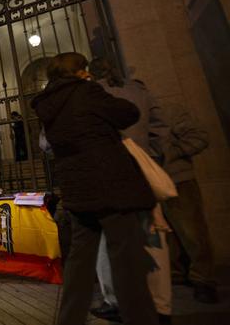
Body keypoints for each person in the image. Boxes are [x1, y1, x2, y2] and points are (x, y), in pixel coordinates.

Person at [31, 52, 159, 325]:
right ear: (79, 72)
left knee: (79, 263)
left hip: (78, 189)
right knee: (127, 263)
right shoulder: (86, 92)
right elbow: (128, 113)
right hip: (110, 185)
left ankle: (69, 319)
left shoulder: (48, 104)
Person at [89, 59, 172, 324]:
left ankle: (114, 299)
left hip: (109, 173)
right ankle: (162, 305)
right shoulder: (139, 91)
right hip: (142, 166)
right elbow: (160, 128)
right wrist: (151, 157)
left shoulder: (91, 95)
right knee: (154, 236)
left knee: (107, 238)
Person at [160, 103, 218, 303]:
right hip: (155, 183)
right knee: (168, 235)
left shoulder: (168, 110)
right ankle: (177, 274)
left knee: (193, 232)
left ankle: (204, 280)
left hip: (179, 180)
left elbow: (200, 136)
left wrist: (171, 153)